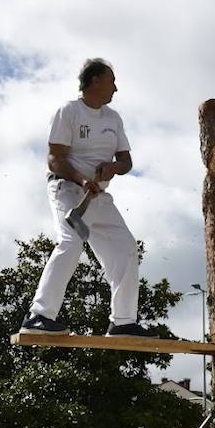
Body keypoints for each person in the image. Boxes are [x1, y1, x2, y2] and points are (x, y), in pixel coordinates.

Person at [20, 58, 151, 338]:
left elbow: (126, 162)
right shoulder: (68, 111)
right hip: (68, 190)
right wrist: (82, 180)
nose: (116, 88)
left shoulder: (113, 118)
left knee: (126, 247)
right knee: (71, 241)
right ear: (95, 81)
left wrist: (113, 167)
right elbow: (55, 159)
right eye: (111, 81)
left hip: (98, 197)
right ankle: (39, 315)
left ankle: (123, 322)